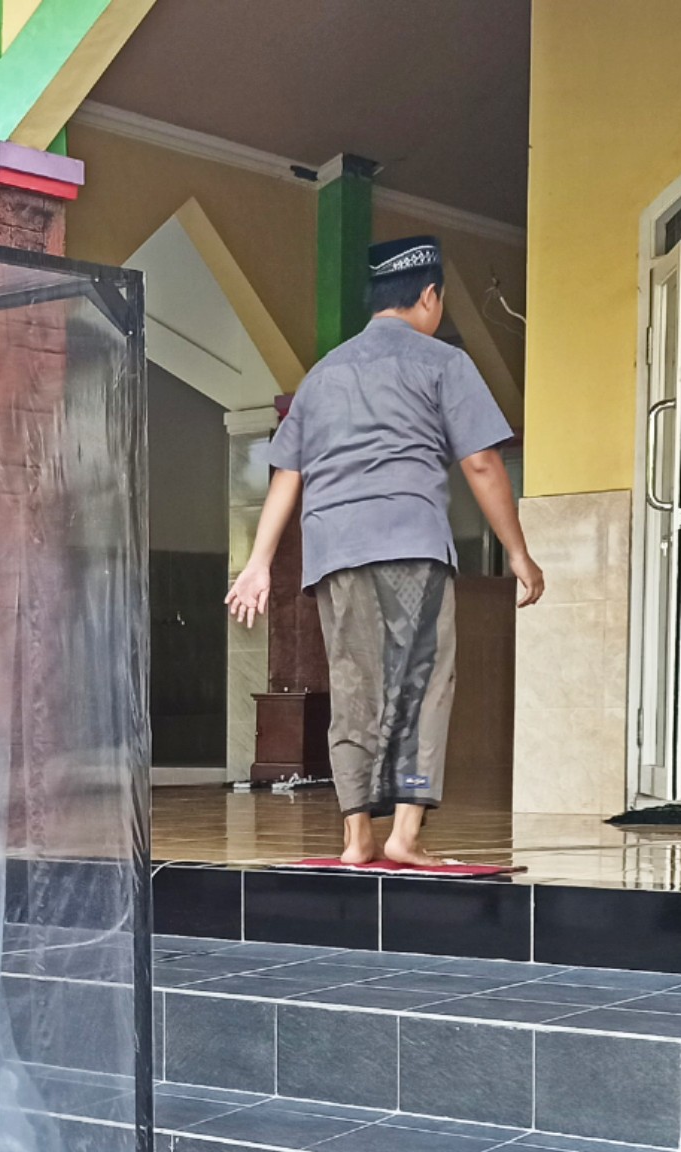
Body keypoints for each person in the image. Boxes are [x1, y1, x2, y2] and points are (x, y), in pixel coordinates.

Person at [225, 235, 544, 869]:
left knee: (353, 687)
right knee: (420, 686)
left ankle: (355, 840)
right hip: (410, 545)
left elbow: (287, 473)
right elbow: (481, 463)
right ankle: (402, 835)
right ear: (430, 296)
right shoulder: (441, 362)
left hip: (333, 552)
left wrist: (259, 562)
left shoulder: (323, 374)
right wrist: (518, 552)